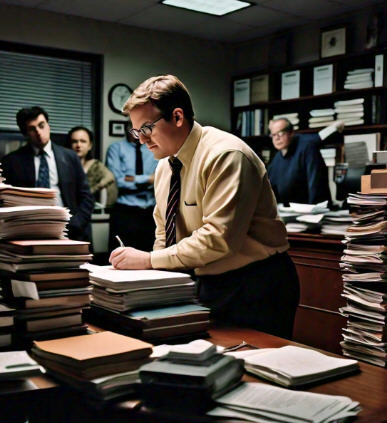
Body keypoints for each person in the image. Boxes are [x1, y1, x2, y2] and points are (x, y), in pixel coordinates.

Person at [109, 74, 300, 339]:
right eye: (136, 131)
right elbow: (165, 232)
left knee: (257, 369)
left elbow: (218, 238)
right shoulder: (166, 165)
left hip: (255, 283)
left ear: (177, 117)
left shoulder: (226, 155)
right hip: (207, 281)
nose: (141, 140)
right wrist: (155, 285)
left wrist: (149, 261)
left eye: (146, 129)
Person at [2, 106, 94, 241]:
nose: (39, 132)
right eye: (32, 129)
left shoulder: (70, 157)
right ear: (25, 133)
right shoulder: (12, 161)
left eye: (41, 125)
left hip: (68, 228)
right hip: (29, 231)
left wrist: (76, 223)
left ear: (48, 125)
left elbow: (86, 196)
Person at [267, 118, 343, 206]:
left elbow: (316, 185)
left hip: (312, 211)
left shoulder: (307, 147)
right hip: (287, 211)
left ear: (291, 133)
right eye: (273, 135)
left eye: (280, 133)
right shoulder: (276, 159)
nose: (277, 138)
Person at [106, 123, 158, 252]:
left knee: (149, 257)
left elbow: (160, 179)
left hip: (150, 213)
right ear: (126, 128)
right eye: (134, 126)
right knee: (120, 255)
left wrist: (132, 178)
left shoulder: (154, 149)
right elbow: (118, 181)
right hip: (125, 212)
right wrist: (148, 179)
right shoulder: (116, 149)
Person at [67, 126, 118, 208]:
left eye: (83, 141)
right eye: (74, 141)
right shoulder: (62, 164)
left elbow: (110, 177)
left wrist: (93, 189)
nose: (78, 145)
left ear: (90, 145)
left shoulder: (95, 165)